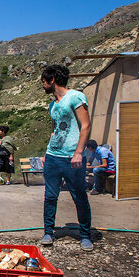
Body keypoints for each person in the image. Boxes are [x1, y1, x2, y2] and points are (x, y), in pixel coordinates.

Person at [40, 65, 93, 251]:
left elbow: (85, 125)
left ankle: (85, 235)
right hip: (54, 157)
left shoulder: (76, 97)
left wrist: (79, 152)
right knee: (50, 196)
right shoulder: (52, 105)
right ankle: (48, 232)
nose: (43, 86)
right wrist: (47, 154)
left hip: (72, 157)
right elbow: (54, 131)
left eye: (44, 82)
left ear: (52, 79)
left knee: (79, 196)